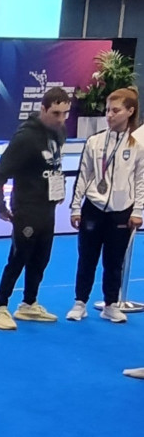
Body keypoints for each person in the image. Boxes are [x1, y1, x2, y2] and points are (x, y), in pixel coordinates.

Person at [0, 87, 72, 330]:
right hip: (26, 208)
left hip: (48, 207)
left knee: (41, 259)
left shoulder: (60, 132)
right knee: (18, 258)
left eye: (65, 113)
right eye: (56, 113)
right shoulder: (25, 138)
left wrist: (59, 189)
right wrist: (0, 206)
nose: (61, 119)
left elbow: (52, 167)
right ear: (43, 109)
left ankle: (29, 303)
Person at [67, 88, 144, 323]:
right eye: (108, 110)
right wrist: (76, 207)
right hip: (93, 208)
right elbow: (83, 175)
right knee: (87, 258)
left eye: (115, 110)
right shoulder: (95, 142)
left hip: (122, 211)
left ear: (130, 111)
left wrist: (138, 210)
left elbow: (141, 180)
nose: (109, 115)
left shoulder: (138, 146)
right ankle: (80, 303)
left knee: (114, 261)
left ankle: (111, 304)